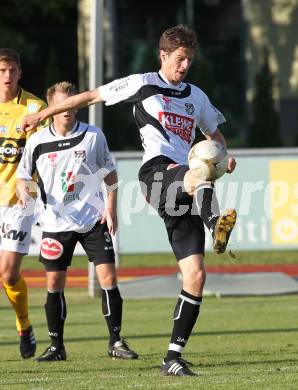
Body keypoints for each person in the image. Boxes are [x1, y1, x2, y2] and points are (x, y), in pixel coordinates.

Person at [21, 25, 237, 375]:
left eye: (189, 60)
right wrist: (41, 115)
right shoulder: (142, 83)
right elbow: (89, 97)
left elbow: (214, 136)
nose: (184, 66)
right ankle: (216, 225)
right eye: (180, 59)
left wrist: (226, 156)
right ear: (163, 55)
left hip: (185, 188)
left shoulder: (196, 96)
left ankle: (172, 357)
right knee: (198, 173)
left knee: (195, 275)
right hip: (157, 174)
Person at [16, 81, 138, 362]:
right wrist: (26, 193)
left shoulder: (93, 136)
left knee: (108, 277)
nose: (69, 109)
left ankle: (116, 341)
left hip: (92, 218)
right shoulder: (37, 141)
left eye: (73, 103)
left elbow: (109, 174)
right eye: (63, 104)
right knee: (55, 283)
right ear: (52, 109)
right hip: (56, 223)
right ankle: (56, 347)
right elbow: (23, 177)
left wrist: (111, 209)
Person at [0, 48, 49, 359]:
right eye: (2, 70)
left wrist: (34, 188)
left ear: (20, 73)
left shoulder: (35, 107)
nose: (7, 76)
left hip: (20, 199)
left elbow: (47, 152)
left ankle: (24, 325)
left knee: (7, 273)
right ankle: (26, 329)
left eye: (12, 70)